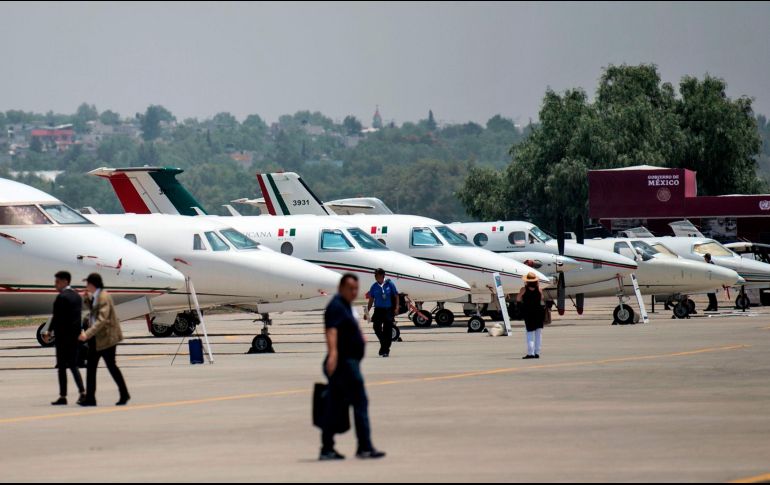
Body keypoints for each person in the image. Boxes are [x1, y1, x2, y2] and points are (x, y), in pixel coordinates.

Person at [320, 273, 385, 461]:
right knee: (360, 402)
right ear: (341, 288)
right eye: (350, 288)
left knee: (334, 406)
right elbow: (331, 331)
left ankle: (327, 448)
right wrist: (333, 354)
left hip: (347, 362)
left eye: (356, 288)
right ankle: (364, 447)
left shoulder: (345, 305)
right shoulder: (336, 306)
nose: (354, 292)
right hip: (344, 364)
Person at [78, 273, 130, 407]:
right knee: (91, 368)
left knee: (111, 367)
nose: (86, 286)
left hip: (107, 339)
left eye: (87, 283)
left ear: (92, 284)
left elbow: (102, 319)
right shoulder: (96, 296)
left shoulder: (103, 297)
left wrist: (87, 334)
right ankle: (90, 398)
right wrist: (86, 299)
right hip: (97, 339)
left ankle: (124, 394)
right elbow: (94, 311)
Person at [45, 271, 86, 406]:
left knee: (62, 367)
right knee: (73, 366)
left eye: (57, 282)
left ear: (65, 281)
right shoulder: (77, 296)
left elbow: (56, 317)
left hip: (63, 338)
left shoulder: (61, 297)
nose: (55, 285)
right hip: (74, 337)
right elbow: (78, 318)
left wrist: (49, 331)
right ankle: (82, 393)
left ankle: (63, 396)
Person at [366, 268, 399, 358]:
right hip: (378, 310)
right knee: (376, 327)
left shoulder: (390, 284)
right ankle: (383, 344)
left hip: (388, 310)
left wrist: (396, 308)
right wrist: (367, 312)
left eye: (376, 275)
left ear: (382, 275)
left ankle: (385, 350)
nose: (375, 276)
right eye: (375, 275)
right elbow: (371, 300)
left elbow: (396, 295)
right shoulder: (374, 286)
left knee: (387, 330)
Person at [516, 272, 545, 359]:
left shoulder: (523, 289)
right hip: (539, 312)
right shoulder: (539, 289)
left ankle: (530, 353)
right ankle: (537, 352)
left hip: (529, 312)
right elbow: (542, 299)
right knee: (538, 333)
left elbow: (518, 298)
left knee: (530, 333)